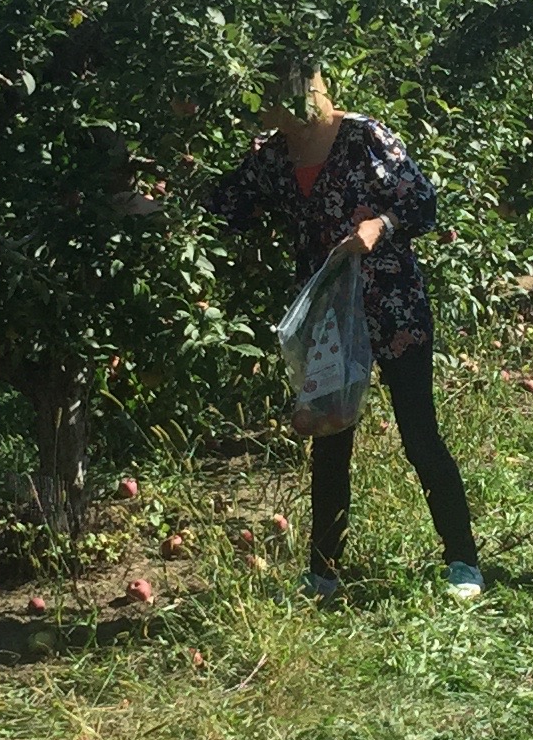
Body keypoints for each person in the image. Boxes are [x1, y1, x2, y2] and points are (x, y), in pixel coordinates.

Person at [204, 57, 485, 602]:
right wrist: (151, 203)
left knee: (419, 434)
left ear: (296, 94)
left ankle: (463, 561)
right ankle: (324, 573)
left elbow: (421, 201)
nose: (257, 109)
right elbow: (223, 208)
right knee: (329, 438)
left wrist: (380, 224)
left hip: (391, 303)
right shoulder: (272, 156)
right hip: (329, 315)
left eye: (264, 97)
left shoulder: (363, 137)